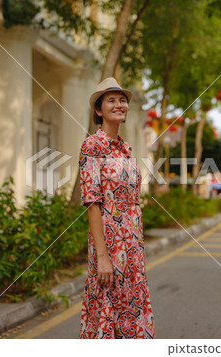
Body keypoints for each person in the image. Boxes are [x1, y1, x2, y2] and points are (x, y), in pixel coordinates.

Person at [78, 77, 155, 339]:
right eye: (111, 100)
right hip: (110, 242)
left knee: (131, 306)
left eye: (122, 100)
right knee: (108, 303)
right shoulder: (92, 146)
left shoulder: (125, 149)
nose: (119, 104)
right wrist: (102, 256)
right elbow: (92, 202)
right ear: (99, 111)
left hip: (132, 243)